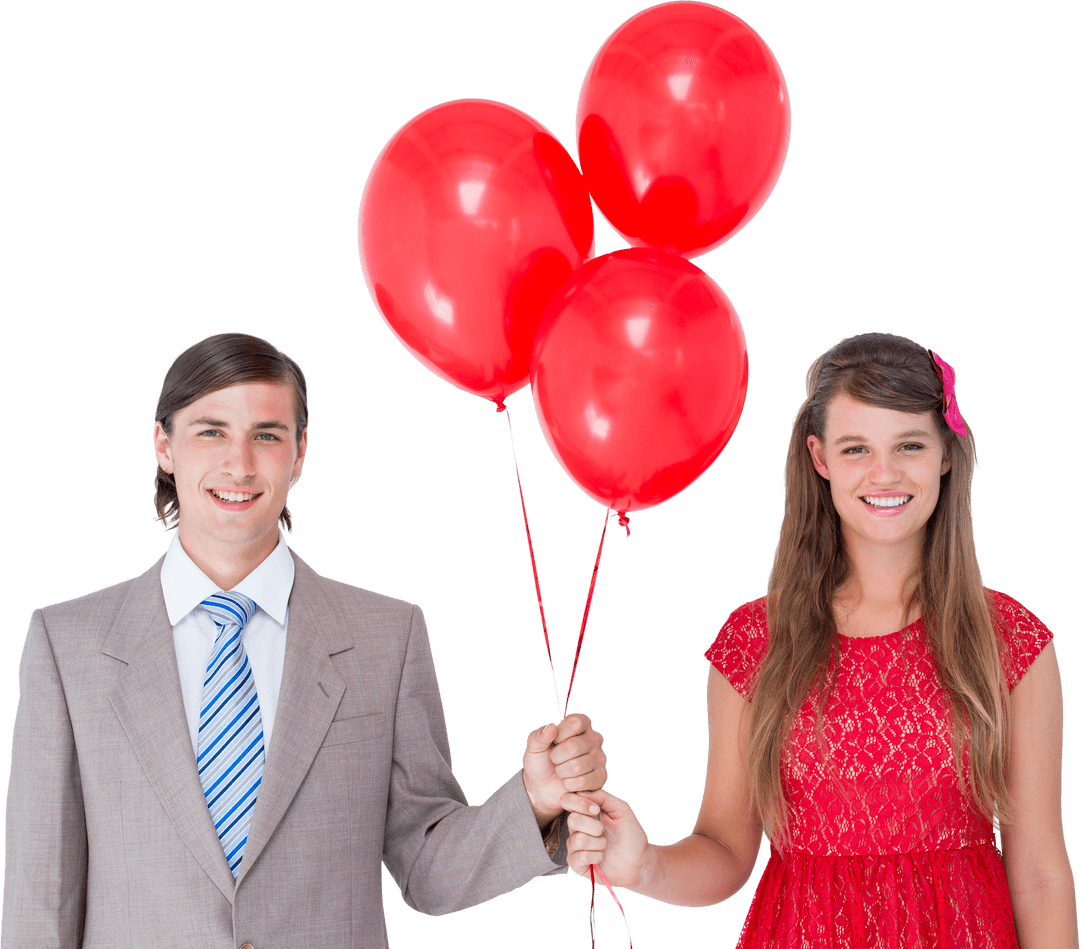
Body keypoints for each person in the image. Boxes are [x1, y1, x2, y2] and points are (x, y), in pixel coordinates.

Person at [0, 330, 607, 949]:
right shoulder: (67, 645)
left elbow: (427, 868)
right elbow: (39, 904)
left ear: (300, 452)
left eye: (267, 435)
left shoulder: (386, 638)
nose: (239, 464)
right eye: (211, 431)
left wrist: (534, 799)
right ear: (163, 443)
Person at [564, 332, 1078, 946]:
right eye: (856, 447)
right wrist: (642, 864)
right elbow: (726, 851)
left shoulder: (1011, 642)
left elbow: (1041, 876)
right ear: (820, 457)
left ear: (945, 453)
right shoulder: (756, 643)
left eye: (909, 445)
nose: (884, 473)